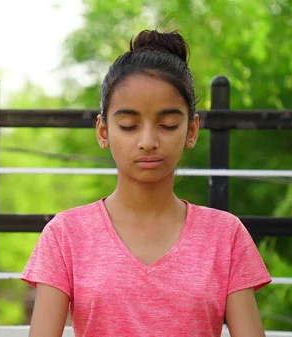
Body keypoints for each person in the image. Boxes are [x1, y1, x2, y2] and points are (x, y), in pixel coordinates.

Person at [21, 28, 272, 337]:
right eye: (129, 126)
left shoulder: (225, 235)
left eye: (168, 125)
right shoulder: (65, 236)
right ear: (103, 131)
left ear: (192, 131)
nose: (148, 141)